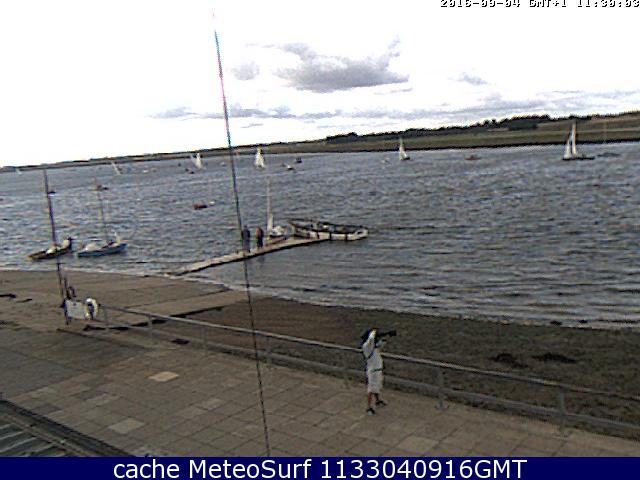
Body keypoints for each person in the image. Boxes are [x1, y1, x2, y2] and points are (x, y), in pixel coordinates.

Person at [361, 328, 396, 415]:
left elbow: (382, 342)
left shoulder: (373, 346)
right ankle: (368, 407)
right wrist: (376, 332)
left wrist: (387, 335)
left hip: (377, 370)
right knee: (371, 389)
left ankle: (377, 401)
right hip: (373, 371)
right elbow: (372, 338)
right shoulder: (366, 346)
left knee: (376, 387)